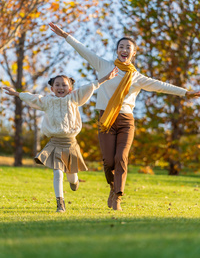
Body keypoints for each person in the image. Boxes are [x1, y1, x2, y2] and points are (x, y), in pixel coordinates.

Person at [49, 22, 200, 211]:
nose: (124, 49)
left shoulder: (137, 77)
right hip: (105, 120)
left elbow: (162, 85)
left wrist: (186, 93)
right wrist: (65, 35)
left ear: (133, 53)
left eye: (128, 47)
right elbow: (84, 50)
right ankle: (113, 188)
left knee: (121, 157)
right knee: (108, 162)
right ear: (117, 51)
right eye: (121, 47)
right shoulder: (103, 66)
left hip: (126, 121)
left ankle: (118, 197)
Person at [3, 67, 118, 212]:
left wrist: (105, 78)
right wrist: (17, 94)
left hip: (70, 144)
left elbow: (90, 86)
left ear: (70, 88)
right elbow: (32, 97)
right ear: (52, 88)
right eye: (57, 85)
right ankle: (60, 203)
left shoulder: (74, 98)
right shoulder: (47, 101)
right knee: (57, 172)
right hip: (55, 143)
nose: (61, 87)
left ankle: (75, 181)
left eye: (64, 85)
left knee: (71, 176)